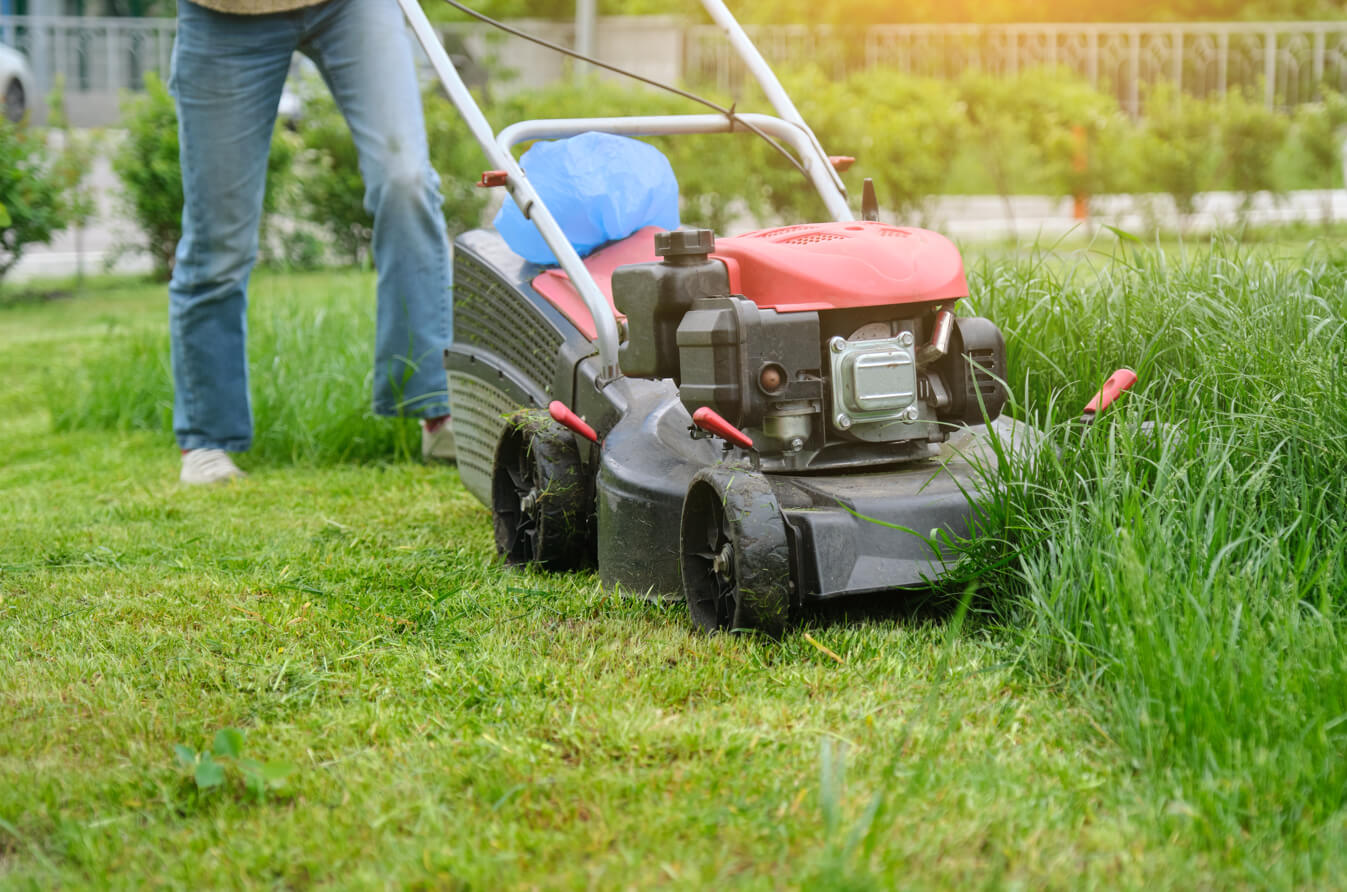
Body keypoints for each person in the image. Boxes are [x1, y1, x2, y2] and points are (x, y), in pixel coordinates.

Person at [169, 0, 456, 485]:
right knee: (219, 237)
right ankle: (206, 437)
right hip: (223, 15)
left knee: (404, 181)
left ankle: (436, 410)